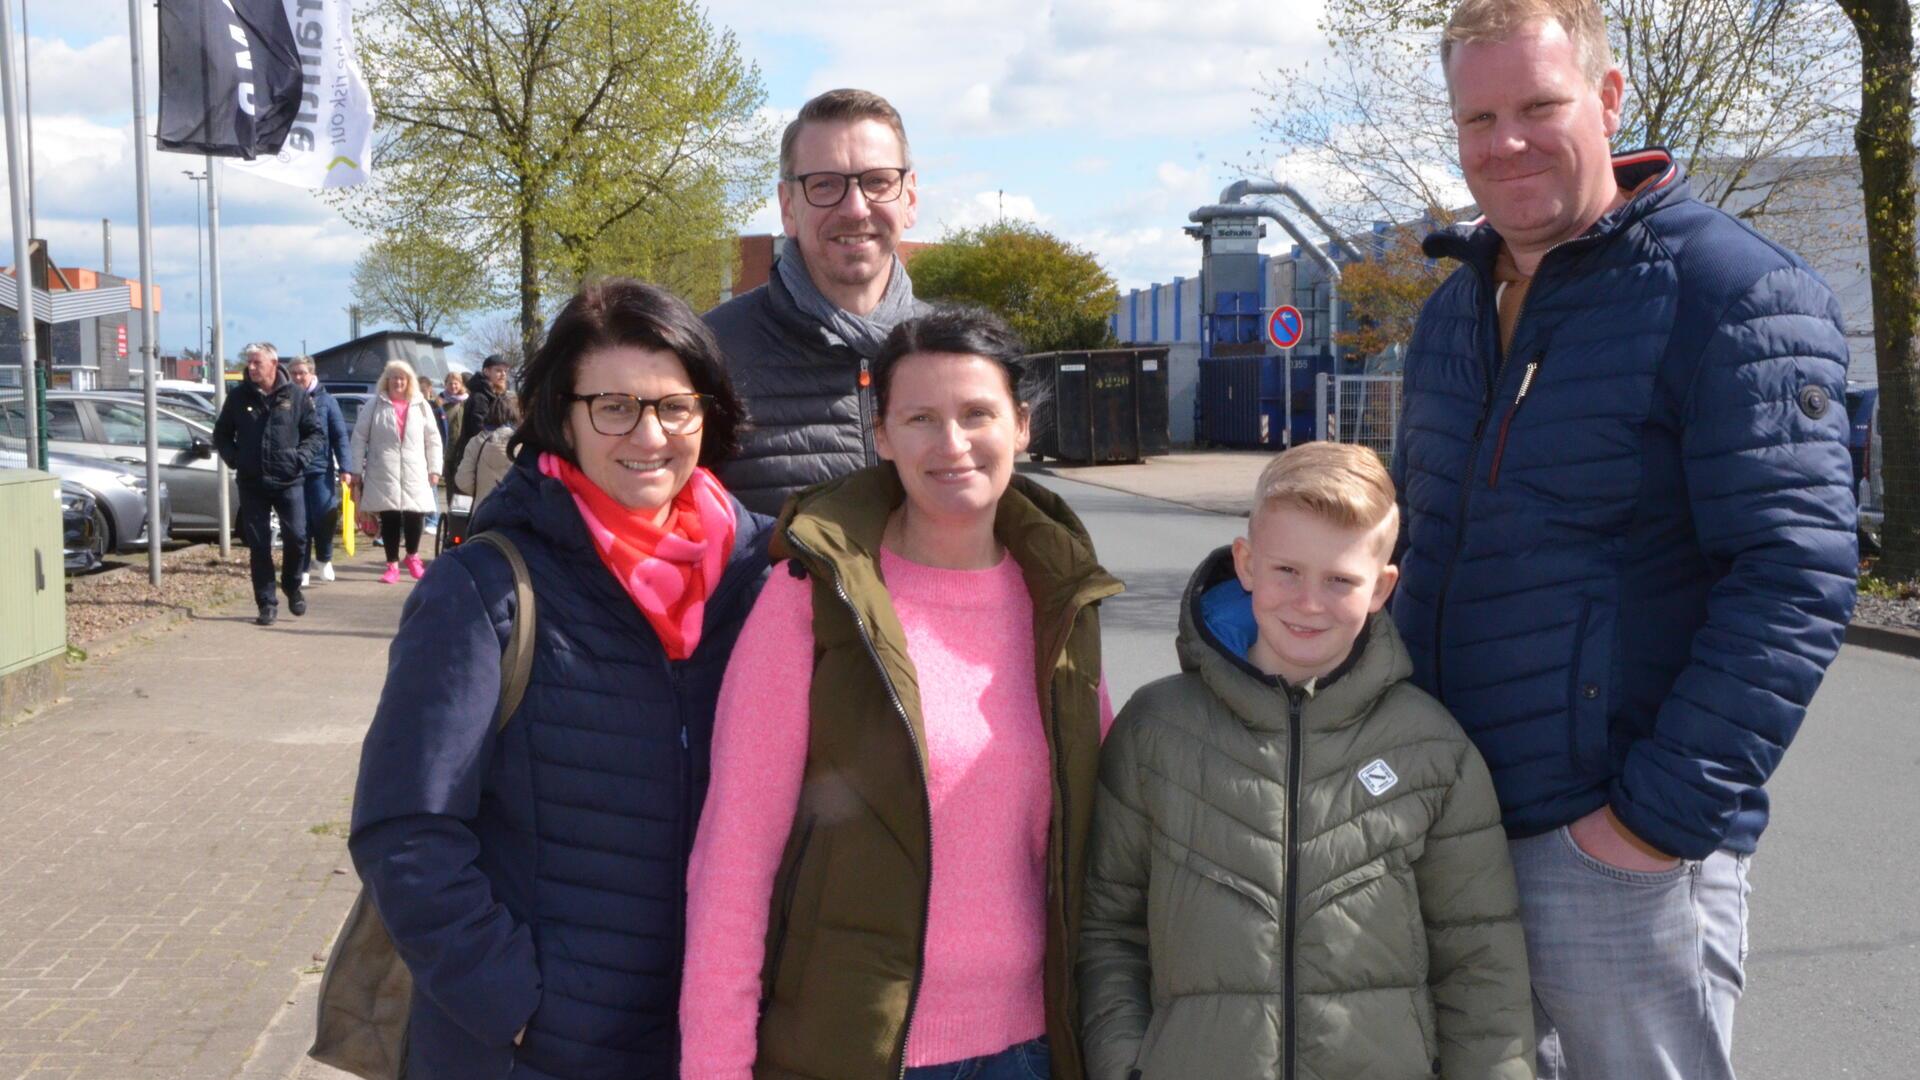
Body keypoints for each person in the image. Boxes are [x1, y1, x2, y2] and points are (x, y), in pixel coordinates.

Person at [1392, 2, 1858, 1077]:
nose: (1504, 141)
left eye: (1538, 105)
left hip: (1613, 852)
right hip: (1452, 836)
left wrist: (1650, 827)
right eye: (1478, 117)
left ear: (1606, 99)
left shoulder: (1734, 293)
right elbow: (1420, 551)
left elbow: (1795, 577)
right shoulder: (1451, 315)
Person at [682, 307, 1122, 1080]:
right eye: (920, 418)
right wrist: (715, 1067)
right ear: (881, 435)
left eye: (977, 414)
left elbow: (1102, 844)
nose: (951, 445)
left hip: (1035, 1049)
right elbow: (734, 858)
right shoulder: (809, 598)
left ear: (1020, 427)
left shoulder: (1060, 601)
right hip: (855, 1048)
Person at [349, 278, 770, 1080]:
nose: (649, 434)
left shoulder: (765, 580)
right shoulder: (484, 590)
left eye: (674, 406)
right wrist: (511, 1006)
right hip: (545, 1051)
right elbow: (405, 828)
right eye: (614, 406)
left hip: (715, 1044)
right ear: (562, 418)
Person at [1077, 442, 1533, 1080]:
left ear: (1382, 588)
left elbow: (1481, 962)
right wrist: (1126, 1067)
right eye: (1287, 570)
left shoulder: (1433, 749)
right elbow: (1109, 934)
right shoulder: (1155, 731)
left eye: (1341, 579)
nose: (1309, 602)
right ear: (1246, 563)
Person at [704, 88, 933, 516]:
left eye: (878, 181)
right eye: (825, 184)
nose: (855, 207)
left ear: (910, 198)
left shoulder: (962, 357)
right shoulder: (708, 355)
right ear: (788, 206)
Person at [212, 341, 323, 626]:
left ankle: (291, 584)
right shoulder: (238, 397)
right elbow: (222, 434)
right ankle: (266, 603)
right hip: (253, 482)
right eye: (248, 362)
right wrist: (236, 459)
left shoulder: (296, 396)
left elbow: (314, 434)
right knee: (259, 544)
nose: (250, 368)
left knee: (297, 536)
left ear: (273, 364)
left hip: (289, 480)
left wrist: (299, 459)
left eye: (256, 363)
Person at [349, 360, 444, 583]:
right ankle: (391, 564)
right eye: (394, 377)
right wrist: (355, 469)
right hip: (383, 469)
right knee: (389, 516)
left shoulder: (421, 405)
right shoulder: (375, 404)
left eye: (402, 378)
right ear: (387, 380)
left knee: (415, 514)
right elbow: (359, 436)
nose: (398, 382)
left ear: (409, 381)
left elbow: (433, 439)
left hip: (415, 469)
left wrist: (435, 468)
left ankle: (412, 557)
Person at [287, 356, 355, 585]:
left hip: (320, 469)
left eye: (301, 373)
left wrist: (346, 467)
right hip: (293, 470)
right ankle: (302, 568)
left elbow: (339, 435)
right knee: (300, 522)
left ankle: (324, 558)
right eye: (294, 373)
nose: (298, 377)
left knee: (325, 516)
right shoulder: (285, 399)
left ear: (311, 373)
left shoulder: (327, 401)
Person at [451, 354, 511, 491]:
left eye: (505, 371)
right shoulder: (480, 396)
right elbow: (479, 430)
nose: (503, 374)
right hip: (476, 457)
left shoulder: (498, 395)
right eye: (498, 370)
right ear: (486, 371)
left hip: (490, 456)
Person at [455, 391, 519, 508]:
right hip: (515, 513)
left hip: (482, 511)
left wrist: (480, 492)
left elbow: (463, 480)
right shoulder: (522, 444)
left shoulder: (476, 441)